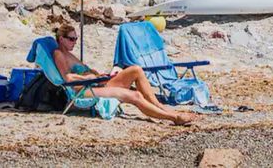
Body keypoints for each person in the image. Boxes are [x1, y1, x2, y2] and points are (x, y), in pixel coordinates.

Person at [50, 24, 194, 125]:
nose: (74, 42)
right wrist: (88, 78)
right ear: (61, 39)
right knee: (135, 95)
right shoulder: (59, 54)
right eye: (71, 39)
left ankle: (159, 106)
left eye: (76, 39)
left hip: (96, 83)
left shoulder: (69, 54)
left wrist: (98, 74)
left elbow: (86, 71)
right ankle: (173, 117)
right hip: (83, 90)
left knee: (136, 69)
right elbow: (67, 78)